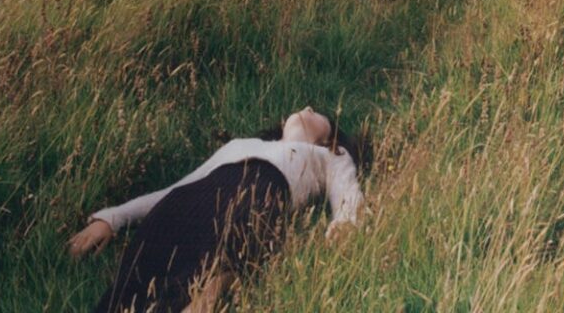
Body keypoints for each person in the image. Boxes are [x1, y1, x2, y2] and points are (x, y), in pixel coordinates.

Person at [69, 107, 372, 313]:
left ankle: (210, 294)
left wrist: (344, 225)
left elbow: (347, 194)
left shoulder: (329, 154)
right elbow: (177, 188)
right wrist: (112, 219)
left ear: (328, 136)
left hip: (257, 191)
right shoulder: (241, 143)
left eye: (317, 112)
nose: (306, 108)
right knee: (140, 273)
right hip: (190, 200)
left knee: (234, 242)